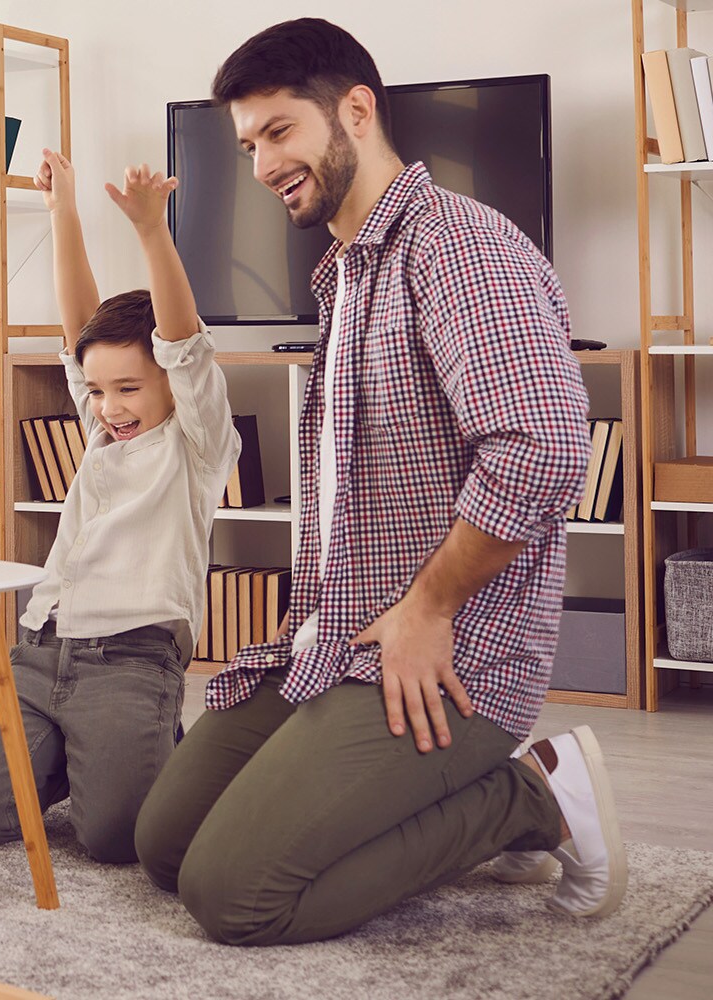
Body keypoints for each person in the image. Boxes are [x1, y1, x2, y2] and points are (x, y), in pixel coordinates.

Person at [132, 18, 621, 946]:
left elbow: (543, 450)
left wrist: (429, 606)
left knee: (235, 895)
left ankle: (534, 795)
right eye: (248, 145)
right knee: (167, 846)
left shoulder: (461, 249)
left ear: (355, 110)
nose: (263, 163)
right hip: (337, 638)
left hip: (451, 656)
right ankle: (443, 796)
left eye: (280, 132)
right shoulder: (347, 272)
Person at [0, 150, 238, 865]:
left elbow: (185, 346)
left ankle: (143, 751)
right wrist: (61, 209)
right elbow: (80, 326)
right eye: (98, 391)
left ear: (167, 384)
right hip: (43, 650)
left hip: (133, 659)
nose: (108, 407)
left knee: (115, 840)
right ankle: (87, 758)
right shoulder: (104, 429)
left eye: (129, 389)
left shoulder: (197, 446)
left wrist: (149, 230)